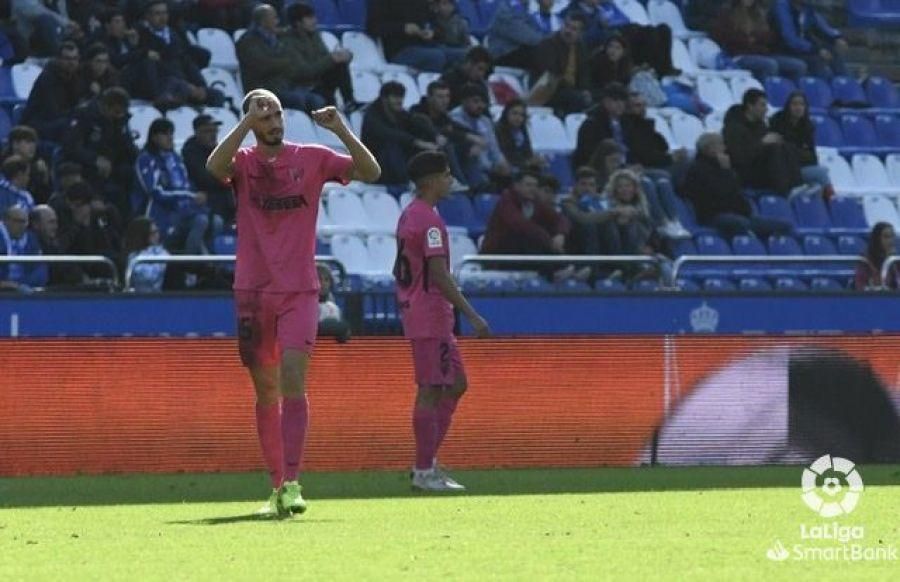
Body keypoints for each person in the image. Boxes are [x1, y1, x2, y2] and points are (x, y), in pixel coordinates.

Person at [205, 89, 380, 516]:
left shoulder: (313, 156)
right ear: (250, 120)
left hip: (299, 289)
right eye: (264, 114)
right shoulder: (243, 163)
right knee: (266, 390)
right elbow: (213, 166)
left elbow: (371, 172)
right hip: (252, 290)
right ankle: (276, 485)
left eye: (277, 112)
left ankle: (295, 482)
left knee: (292, 379)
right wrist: (246, 122)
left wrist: (340, 128)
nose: (274, 120)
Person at [394, 151, 490, 491]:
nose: (450, 180)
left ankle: (427, 461)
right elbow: (438, 274)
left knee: (455, 384)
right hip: (429, 314)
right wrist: (473, 315)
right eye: (447, 175)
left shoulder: (412, 215)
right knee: (431, 390)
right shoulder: (429, 222)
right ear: (431, 180)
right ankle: (423, 471)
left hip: (426, 313)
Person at [683, 133, 792, 239]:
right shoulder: (697, 170)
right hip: (714, 216)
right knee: (740, 223)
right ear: (709, 148)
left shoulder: (724, 167)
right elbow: (720, 192)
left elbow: (736, 191)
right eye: (720, 144)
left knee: (783, 226)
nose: (724, 148)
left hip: (739, 214)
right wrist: (726, 171)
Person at [711, 0, 807, 81]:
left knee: (799, 66)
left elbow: (768, 36)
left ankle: (792, 97)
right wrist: (747, 39)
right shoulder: (728, 13)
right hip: (739, 55)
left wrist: (754, 38)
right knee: (770, 65)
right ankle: (765, 96)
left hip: (761, 53)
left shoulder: (758, 13)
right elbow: (723, 36)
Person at [768, 91, 833, 196]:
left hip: (801, 167)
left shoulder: (807, 126)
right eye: (794, 104)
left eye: (801, 104)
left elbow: (812, 157)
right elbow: (782, 151)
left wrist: (796, 152)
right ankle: (832, 201)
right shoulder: (777, 122)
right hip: (785, 170)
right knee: (821, 174)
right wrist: (801, 153)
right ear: (788, 106)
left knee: (820, 177)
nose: (798, 107)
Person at [771, 0, 847, 80]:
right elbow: (790, 39)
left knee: (833, 52)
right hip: (783, 50)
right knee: (817, 60)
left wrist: (836, 38)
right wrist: (816, 49)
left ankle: (846, 86)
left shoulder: (807, 8)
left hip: (803, 50)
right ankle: (817, 90)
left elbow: (822, 26)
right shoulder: (781, 6)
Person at [0, 205, 46, 292]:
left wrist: (20, 285)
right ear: (5, 221)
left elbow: (39, 270)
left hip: (24, 288)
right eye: (18, 221)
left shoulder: (31, 239)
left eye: (25, 222)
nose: (22, 226)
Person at [122, 216, 169, 292]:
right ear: (142, 235)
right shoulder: (133, 256)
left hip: (161, 297)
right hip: (140, 298)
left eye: (157, 231)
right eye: (153, 233)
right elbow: (148, 277)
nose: (157, 235)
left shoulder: (162, 251)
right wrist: (161, 260)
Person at [855, 222, 899, 290]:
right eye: (886, 237)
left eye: (892, 236)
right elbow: (860, 287)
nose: (891, 241)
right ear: (877, 239)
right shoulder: (865, 260)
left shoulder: (895, 260)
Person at [316, 263, 350, 343]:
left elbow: (345, 335)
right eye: (319, 279)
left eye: (326, 280)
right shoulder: (305, 306)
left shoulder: (334, 308)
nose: (323, 283)